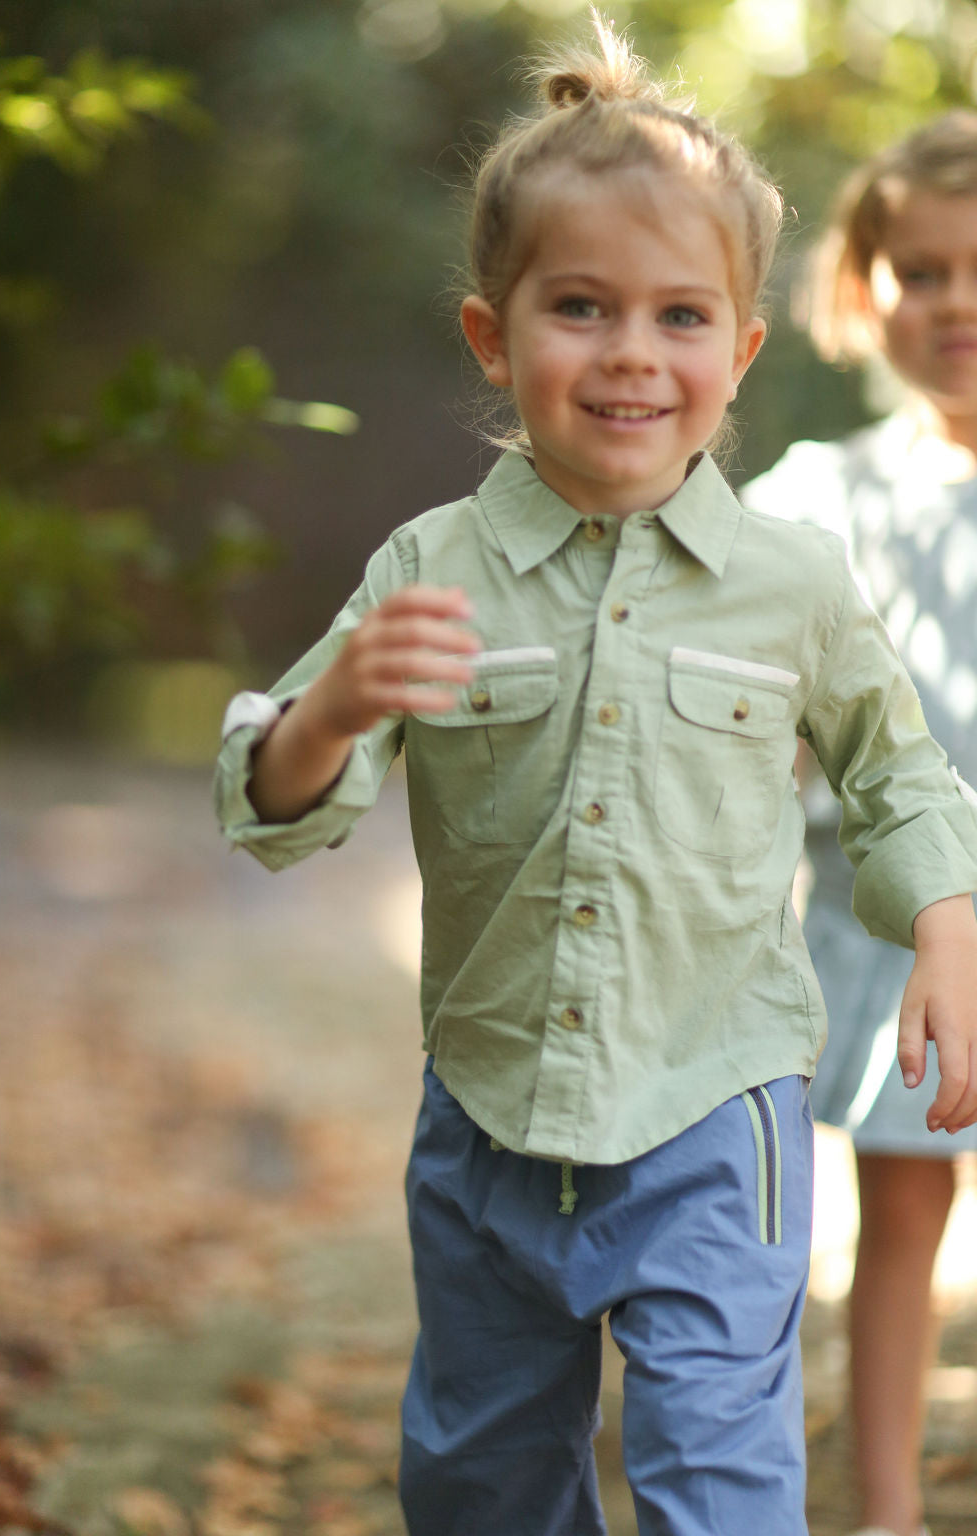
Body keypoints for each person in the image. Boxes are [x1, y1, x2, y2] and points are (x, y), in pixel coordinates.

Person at [215, 21, 977, 1535]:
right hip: (490, 1118)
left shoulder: (793, 581)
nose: (633, 352)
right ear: (492, 337)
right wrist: (329, 711)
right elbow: (275, 796)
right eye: (581, 307)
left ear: (742, 348)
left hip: (719, 1111)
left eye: (681, 316)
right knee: (486, 1477)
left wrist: (947, 926)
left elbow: (902, 778)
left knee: (716, 1469)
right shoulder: (430, 569)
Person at [741, 113, 977, 1536]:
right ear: (863, 288)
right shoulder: (824, 498)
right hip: (889, 932)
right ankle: (885, 1510)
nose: (959, 303)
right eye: (925, 271)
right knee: (898, 1226)